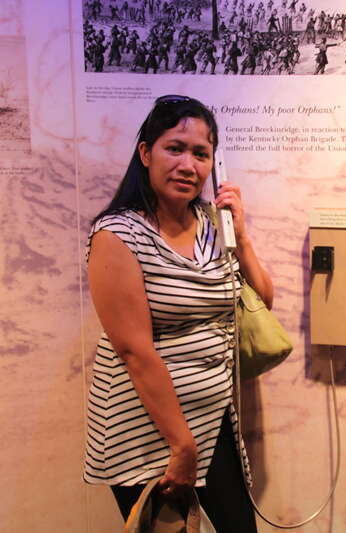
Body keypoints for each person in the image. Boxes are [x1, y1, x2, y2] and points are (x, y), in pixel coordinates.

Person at [83, 95, 270, 532]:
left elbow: (263, 301)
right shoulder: (117, 234)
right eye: (175, 148)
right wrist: (181, 446)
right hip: (148, 431)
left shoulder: (212, 224)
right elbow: (134, 351)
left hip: (214, 419)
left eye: (201, 154)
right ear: (146, 153)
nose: (189, 164)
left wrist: (240, 235)